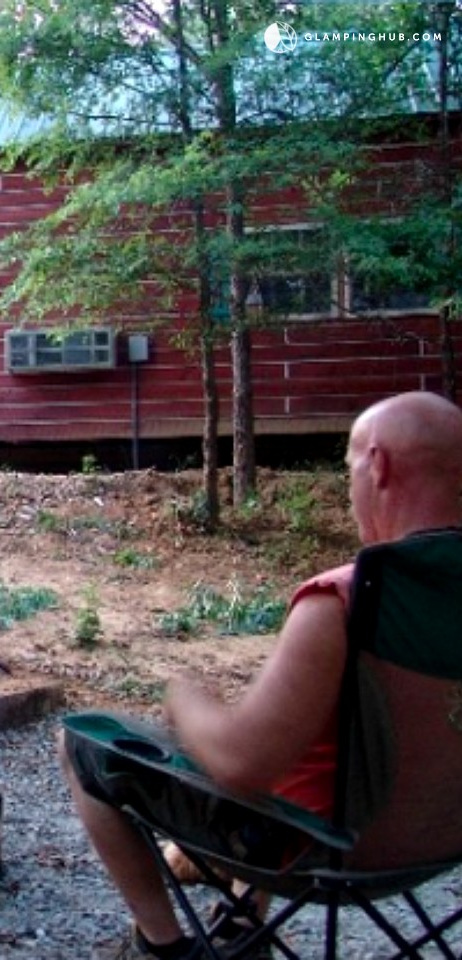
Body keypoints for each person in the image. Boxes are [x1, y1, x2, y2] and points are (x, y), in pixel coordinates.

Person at [58, 391, 462, 959]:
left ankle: (164, 948)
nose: (349, 494)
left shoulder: (344, 601)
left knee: (82, 744)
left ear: (379, 464)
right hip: (442, 850)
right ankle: (238, 930)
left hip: (329, 855)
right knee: (301, 747)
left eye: (349, 472)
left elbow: (242, 765)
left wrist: (187, 701)